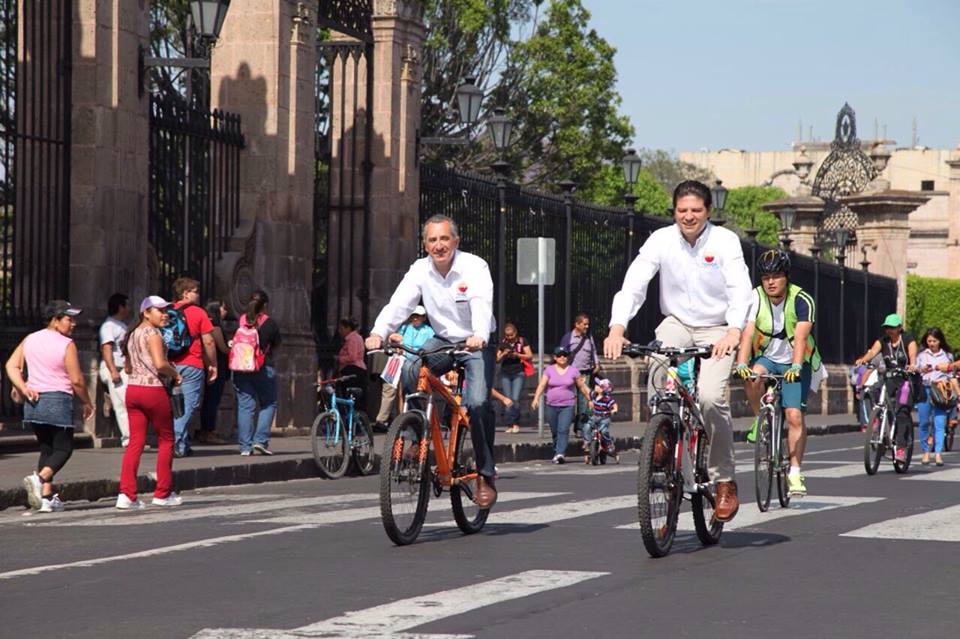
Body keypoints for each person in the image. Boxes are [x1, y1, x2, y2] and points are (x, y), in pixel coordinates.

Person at [604, 179, 752, 523]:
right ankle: (664, 434)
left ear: (708, 212)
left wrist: (733, 330)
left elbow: (740, 289)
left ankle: (724, 480)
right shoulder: (661, 240)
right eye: (682, 211)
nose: (688, 217)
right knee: (658, 370)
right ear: (673, 212)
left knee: (711, 398)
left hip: (719, 327)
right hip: (678, 323)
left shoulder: (725, 241)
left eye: (696, 211)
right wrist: (617, 326)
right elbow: (635, 283)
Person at [365, 214, 499, 509]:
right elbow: (399, 304)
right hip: (443, 340)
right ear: (425, 244)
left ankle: (486, 474)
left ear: (456, 241)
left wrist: (478, 335)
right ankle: (417, 435)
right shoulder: (420, 270)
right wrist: (378, 332)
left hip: (476, 341)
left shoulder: (474, 266)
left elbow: (480, 301)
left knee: (477, 403)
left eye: (444, 239)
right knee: (413, 368)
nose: (439, 245)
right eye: (432, 240)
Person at [734, 248, 822, 497]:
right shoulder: (755, 297)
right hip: (767, 357)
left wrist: (795, 367)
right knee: (753, 376)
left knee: (794, 416)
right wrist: (742, 363)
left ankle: (795, 472)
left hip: (797, 361)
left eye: (776, 276)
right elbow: (748, 333)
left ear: (787, 277)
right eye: (765, 277)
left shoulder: (802, 299)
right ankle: (759, 419)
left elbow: (802, 337)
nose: (770, 282)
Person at [5, 301, 94, 513]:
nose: (72, 324)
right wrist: (87, 402)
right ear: (55, 320)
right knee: (64, 449)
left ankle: (46, 496)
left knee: (47, 449)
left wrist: (24, 388)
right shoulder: (66, 344)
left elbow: (11, 365)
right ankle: (39, 478)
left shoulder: (30, 339)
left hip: (34, 402)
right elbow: (77, 380)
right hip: (57, 400)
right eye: (68, 319)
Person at [117, 296, 183, 509]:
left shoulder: (132, 334)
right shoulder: (153, 333)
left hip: (133, 390)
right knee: (166, 439)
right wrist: (175, 374)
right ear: (146, 312)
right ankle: (162, 493)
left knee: (135, 442)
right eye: (160, 310)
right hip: (153, 390)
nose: (164, 314)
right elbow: (160, 364)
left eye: (166, 310)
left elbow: (127, 368)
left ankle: (126, 494)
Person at [855, 313, 918, 463]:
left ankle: (901, 448)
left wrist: (912, 364)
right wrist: (863, 359)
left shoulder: (908, 340)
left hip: (904, 380)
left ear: (899, 328)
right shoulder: (882, 341)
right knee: (873, 391)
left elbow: (912, 354)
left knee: (902, 411)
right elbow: (872, 351)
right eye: (887, 328)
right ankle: (876, 419)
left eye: (892, 328)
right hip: (888, 378)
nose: (889, 330)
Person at [169, 277, 218, 457]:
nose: (198, 294)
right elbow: (209, 342)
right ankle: (176, 443)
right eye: (195, 291)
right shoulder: (199, 313)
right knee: (188, 405)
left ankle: (182, 442)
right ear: (185, 293)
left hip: (169, 365)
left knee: (172, 406)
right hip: (191, 364)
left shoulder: (166, 311)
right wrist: (212, 364)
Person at [232, 290, 281, 456]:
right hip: (263, 367)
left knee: (245, 405)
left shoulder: (242, 320)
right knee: (269, 403)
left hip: (240, 367)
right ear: (265, 305)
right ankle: (260, 440)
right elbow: (276, 345)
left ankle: (245, 447)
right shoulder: (270, 324)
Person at [373, 306, 435, 431]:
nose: (415, 318)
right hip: (399, 361)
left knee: (413, 391)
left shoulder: (428, 331)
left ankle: (410, 419)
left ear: (424, 317)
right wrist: (396, 342)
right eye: (413, 315)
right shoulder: (405, 327)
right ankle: (391, 419)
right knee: (394, 389)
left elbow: (433, 345)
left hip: (418, 363)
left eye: (418, 316)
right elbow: (395, 339)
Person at [530, 345, 593, 464]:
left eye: (565, 355)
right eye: (560, 355)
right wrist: (536, 398)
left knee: (563, 429)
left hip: (567, 405)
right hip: (551, 405)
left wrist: (590, 399)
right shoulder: (549, 370)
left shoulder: (573, 370)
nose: (562, 357)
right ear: (555, 357)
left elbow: (582, 386)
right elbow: (542, 385)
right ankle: (556, 450)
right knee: (555, 430)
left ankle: (560, 453)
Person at [98, 293, 131, 447]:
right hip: (115, 369)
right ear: (120, 307)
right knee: (122, 404)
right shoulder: (109, 326)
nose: (129, 308)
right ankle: (128, 439)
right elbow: (106, 348)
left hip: (123, 369)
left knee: (128, 402)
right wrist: (113, 371)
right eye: (126, 305)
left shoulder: (121, 325)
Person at [916, 327, 953, 466]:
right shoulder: (921, 355)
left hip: (940, 390)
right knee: (924, 422)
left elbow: (951, 375)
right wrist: (921, 369)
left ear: (940, 341)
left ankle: (937, 453)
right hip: (925, 389)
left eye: (934, 341)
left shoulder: (947, 356)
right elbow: (915, 370)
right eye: (929, 340)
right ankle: (926, 452)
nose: (931, 343)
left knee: (939, 423)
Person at [197, 300, 231, 445]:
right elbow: (223, 348)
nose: (226, 311)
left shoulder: (208, 325)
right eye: (223, 308)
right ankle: (208, 431)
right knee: (213, 399)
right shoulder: (215, 327)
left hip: (210, 365)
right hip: (216, 365)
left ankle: (207, 430)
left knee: (209, 399)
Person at [560, 313, 599, 434]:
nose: (586, 326)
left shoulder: (588, 337)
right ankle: (566, 426)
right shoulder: (568, 338)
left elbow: (593, 350)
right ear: (577, 324)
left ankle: (581, 428)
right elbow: (561, 355)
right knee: (569, 400)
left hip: (585, 373)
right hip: (571, 373)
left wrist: (596, 364)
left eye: (588, 324)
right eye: (584, 324)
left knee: (584, 402)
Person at [497, 322, 533, 433]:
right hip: (505, 372)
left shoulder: (522, 341)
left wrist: (517, 355)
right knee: (508, 399)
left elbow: (529, 355)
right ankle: (510, 424)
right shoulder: (503, 343)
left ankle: (516, 423)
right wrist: (504, 354)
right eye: (507, 336)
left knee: (515, 398)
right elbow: (497, 359)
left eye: (511, 335)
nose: (509, 338)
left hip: (518, 372)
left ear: (515, 333)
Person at [583, 377, 618, 463]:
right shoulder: (594, 395)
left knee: (603, 431)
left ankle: (609, 444)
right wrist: (583, 383)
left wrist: (614, 410)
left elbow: (614, 405)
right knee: (586, 427)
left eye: (598, 386)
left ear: (603, 389)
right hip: (594, 417)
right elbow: (585, 390)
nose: (595, 386)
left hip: (604, 418)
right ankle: (587, 442)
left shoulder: (607, 399)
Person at [337, 317, 368, 402]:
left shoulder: (351, 339)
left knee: (349, 396)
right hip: (360, 369)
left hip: (352, 369)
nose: (340, 331)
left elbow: (352, 357)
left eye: (341, 329)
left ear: (348, 328)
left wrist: (339, 359)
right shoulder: (358, 337)